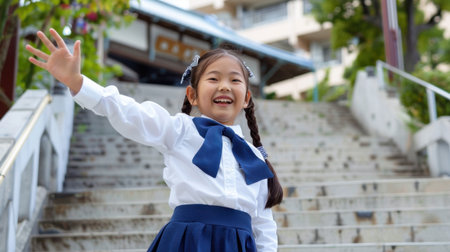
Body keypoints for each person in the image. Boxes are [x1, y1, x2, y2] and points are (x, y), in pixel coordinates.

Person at [26, 28, 283, 252]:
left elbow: (262, 222)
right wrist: (78, 83)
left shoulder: (254, 157)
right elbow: (131, 113)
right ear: (192, 95)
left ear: (247, 97)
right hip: (186, 242)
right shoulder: (179, 130)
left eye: (234, 80)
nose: (225, 86)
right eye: (213, 79)